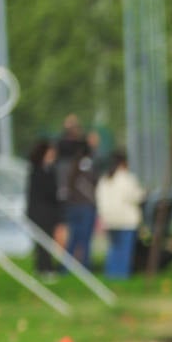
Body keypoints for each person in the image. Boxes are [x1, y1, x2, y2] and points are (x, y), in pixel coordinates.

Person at [55, 114, 98, 269]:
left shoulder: (74, 160)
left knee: (76, 238)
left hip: (75, 203)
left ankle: (69, 268)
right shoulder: (72, 158)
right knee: (80, 238)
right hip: (81, 204)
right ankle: (82, 268)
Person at [95, 150, 146, 280]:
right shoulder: (127, 178)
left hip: (110, 219)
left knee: (113, 249)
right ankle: (122, 275)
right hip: (126, 220)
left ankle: (111, 274)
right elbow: (136, 196)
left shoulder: (104, 179)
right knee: (125, 251)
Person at [25, 139, 61, 277]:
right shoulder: (37, 171)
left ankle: (44, 267)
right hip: (40, 213)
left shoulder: (50, 170)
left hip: (49, 213)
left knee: (48, 242)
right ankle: (44, 268)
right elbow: (39, 194)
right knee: (42, 243)